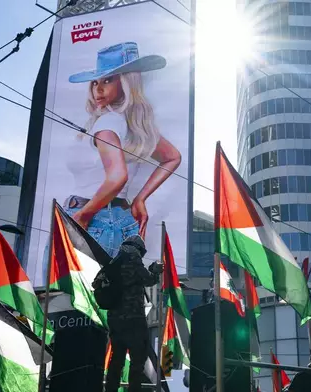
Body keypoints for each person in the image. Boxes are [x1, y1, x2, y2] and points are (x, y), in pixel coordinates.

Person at [65, 42, 181, 256]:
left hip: (92, 219)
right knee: (112, 289)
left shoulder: (107, 122)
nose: (98, 89)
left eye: (108, 80)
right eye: (95, 82)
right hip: (121, 220)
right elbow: (172, 157)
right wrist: (140, 199)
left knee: (64, 288)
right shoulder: (133, 125)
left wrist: (83, 215)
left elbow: (118, 176)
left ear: (127, 82)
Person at [104, 235, 163, 392]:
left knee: (117, 358)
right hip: (133, 318)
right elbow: (147, 279)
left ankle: (110, 388)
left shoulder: (114, 261)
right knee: (138, 360)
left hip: (114, 319)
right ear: (139, 249)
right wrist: (155, 271)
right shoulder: (133, 258)